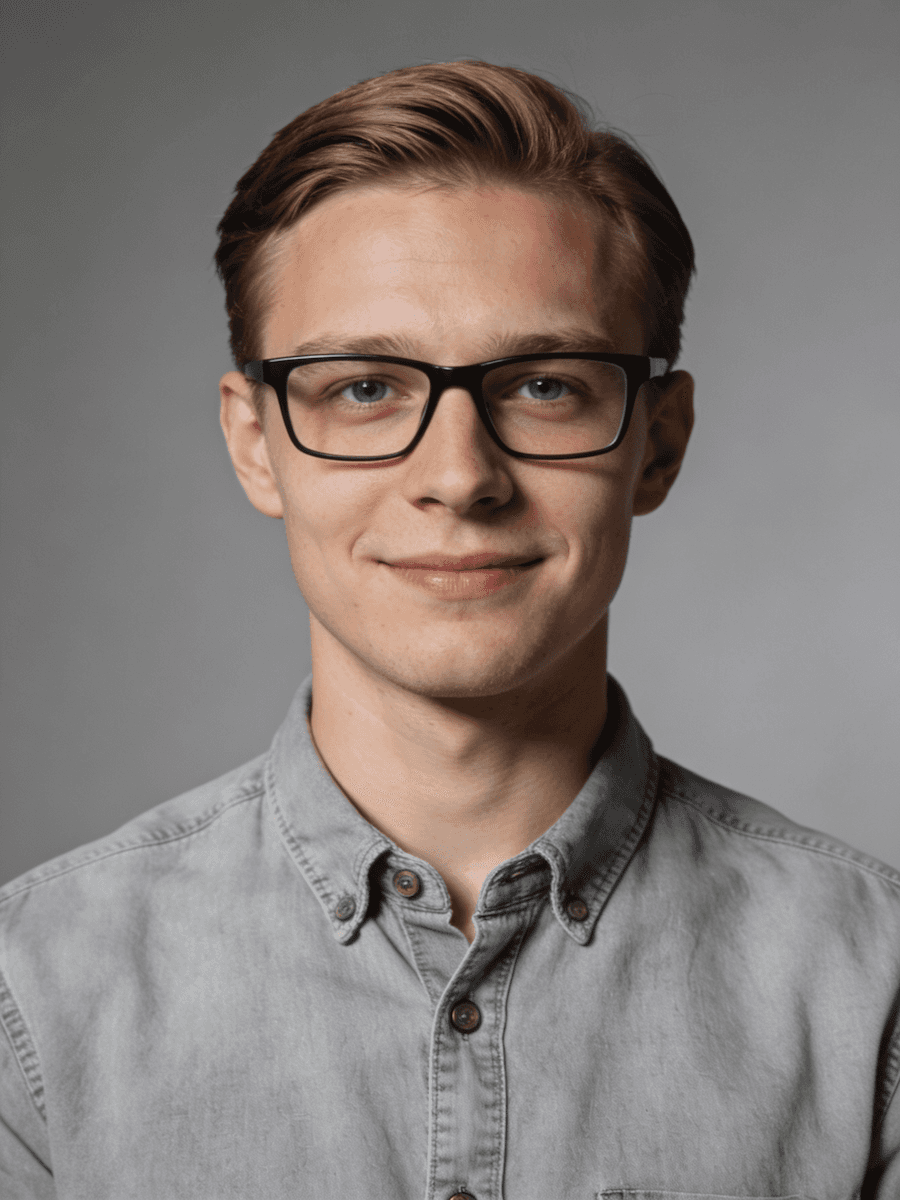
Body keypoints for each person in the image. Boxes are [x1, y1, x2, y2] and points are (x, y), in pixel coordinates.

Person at [0, 59, 897, 1199]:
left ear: (658, 444)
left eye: (547, 386)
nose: (459, 476)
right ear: (255, 442)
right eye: (365, 388)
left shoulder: (877, 992)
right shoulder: (29, 996)